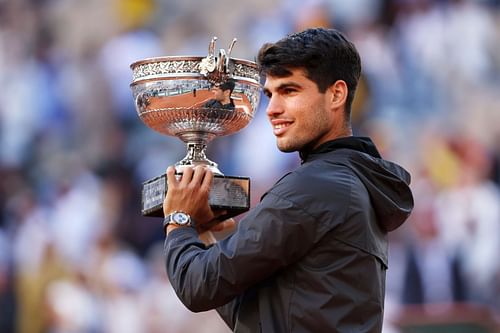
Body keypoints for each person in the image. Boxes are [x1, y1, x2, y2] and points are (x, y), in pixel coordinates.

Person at [162, 28, 414, 332]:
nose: (272, 110)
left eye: (290, 91)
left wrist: (178, 219)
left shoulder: (316, 186)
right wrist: (202, 234)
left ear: (336, 94)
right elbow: (257, 318)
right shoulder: (349, 181)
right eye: (270, 94)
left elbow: (196, 287)